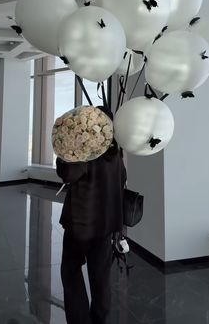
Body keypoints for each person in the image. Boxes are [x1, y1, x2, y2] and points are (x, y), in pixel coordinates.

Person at [56, 107, 126, 324]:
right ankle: (99, 320)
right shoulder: (115, 152)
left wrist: (64, 153)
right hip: (106, 225)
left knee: (70, 271)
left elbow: (68, 175)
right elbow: (122, 179)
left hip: (81, 223)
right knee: (101, 278)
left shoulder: (87, 149)